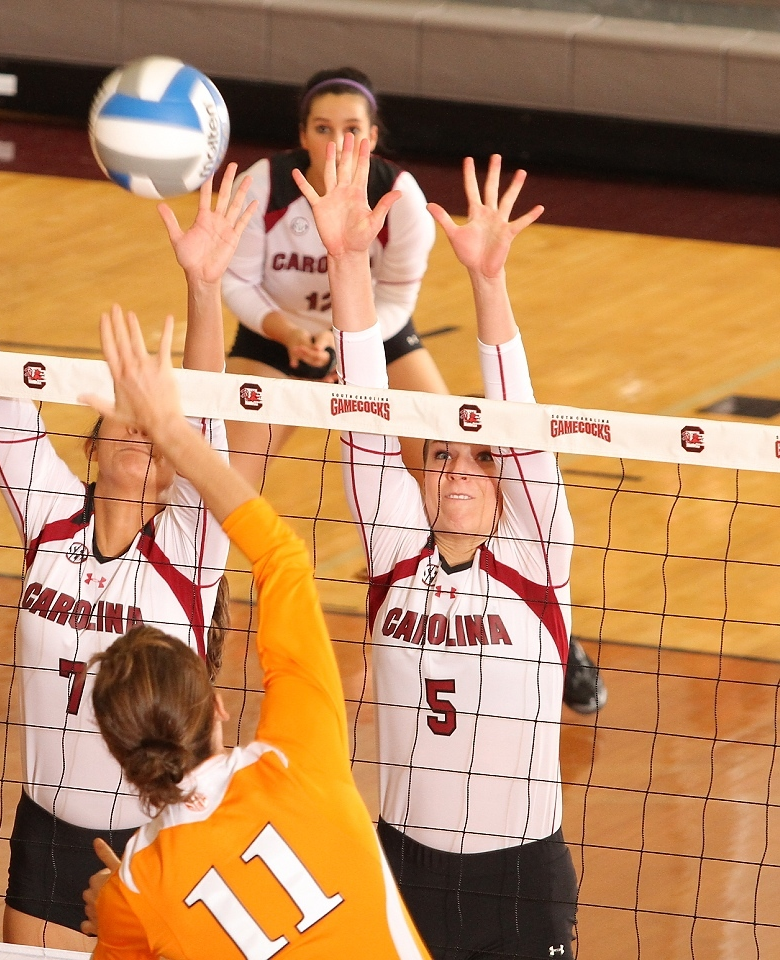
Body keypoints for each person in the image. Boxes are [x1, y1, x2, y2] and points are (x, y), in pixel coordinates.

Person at [0, 123, 257, 949]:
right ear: (90, 446)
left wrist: (204, 288)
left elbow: (202, 413)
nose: (142, 435)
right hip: (46, 827)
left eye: (157, 430)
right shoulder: (48, 511)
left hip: (159, 836)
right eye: (122, 423)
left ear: (176, 457)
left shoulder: (189, 547)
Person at [76, 303, 433, 959]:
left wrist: (120, 918)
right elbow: (281, 558)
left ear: (118, 753)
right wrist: (171, 431)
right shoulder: (299, 758)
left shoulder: (139, 885)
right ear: (216, 705)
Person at [298, 134, 579, 958]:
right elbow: (361, 417)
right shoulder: (394, 555)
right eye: (442, 455)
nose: (456, 469)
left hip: (519, 878)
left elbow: (520, 427)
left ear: (505, 482)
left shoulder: (536, 557)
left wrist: (488, 282)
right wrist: (349, 266)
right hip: (403, 865)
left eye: (476, 458)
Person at [221, 67, 445, 482]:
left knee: (444, 459)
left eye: (352, 129)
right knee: (221, 480)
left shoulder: (401, 198)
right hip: (277, 337)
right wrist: (288, 334)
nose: (338, 143)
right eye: (323, 128)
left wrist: (349, 343)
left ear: (373, 138)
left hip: (376, 335)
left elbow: (396, 299)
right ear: (303, 136)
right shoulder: (262, 186)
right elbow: (236, 281)